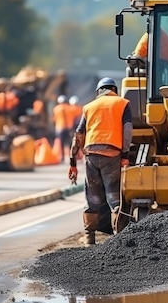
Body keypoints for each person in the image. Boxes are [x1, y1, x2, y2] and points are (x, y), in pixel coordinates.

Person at [68, 77, 133, 245]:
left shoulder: (88, 107)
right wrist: (125, 155)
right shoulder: (122, 103)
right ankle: (118, 237)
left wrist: (72, 163)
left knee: (93, 198)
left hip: (90, 155)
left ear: (98, 91)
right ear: (114, 90)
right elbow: (127, 131)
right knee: (114, 197)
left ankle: (89, 237)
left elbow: (78, 135)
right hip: (111, 155)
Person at [53, 95, 72, 162]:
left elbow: (54, 119)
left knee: (61, 142)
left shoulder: (56, 109)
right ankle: (71, 155)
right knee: (70, 142)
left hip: (59, 127)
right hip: (68, 127)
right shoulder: (69, 108)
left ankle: (62, 156)